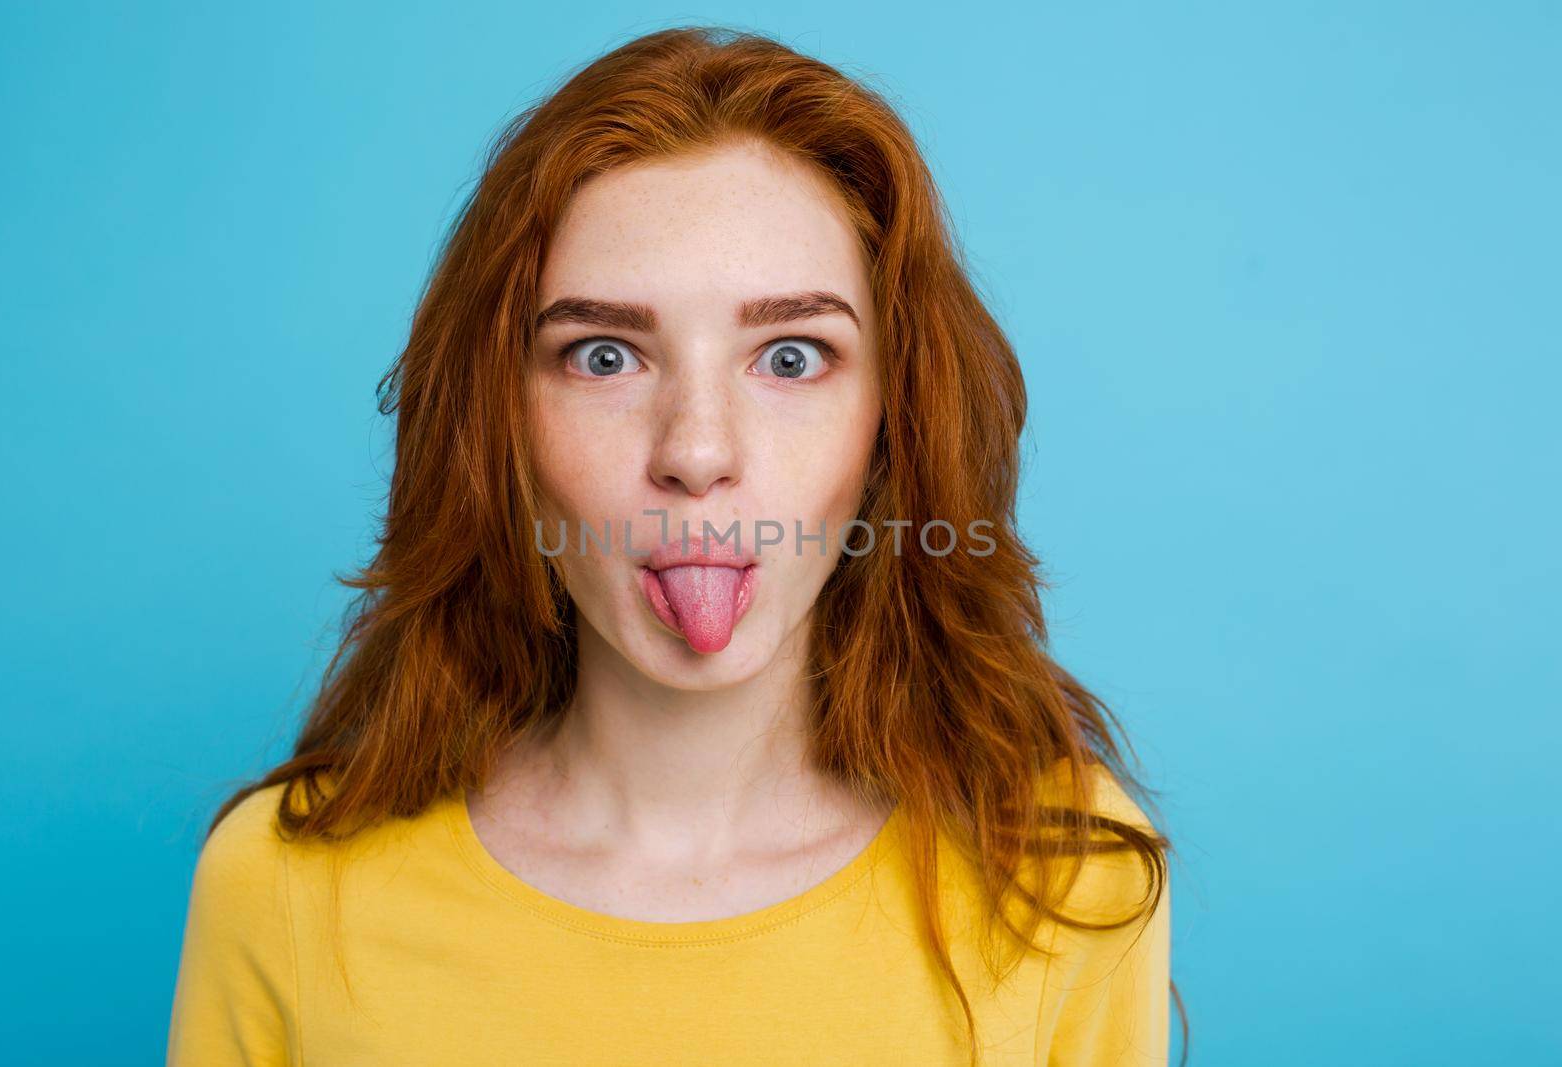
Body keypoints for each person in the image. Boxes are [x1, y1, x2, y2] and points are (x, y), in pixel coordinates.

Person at [166, 25, 1185, 1066]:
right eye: (603, 355)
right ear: (496, 425)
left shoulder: (1064, 878)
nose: (696, 451)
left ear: (893, 427)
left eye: (791, 356)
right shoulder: (281, 882)